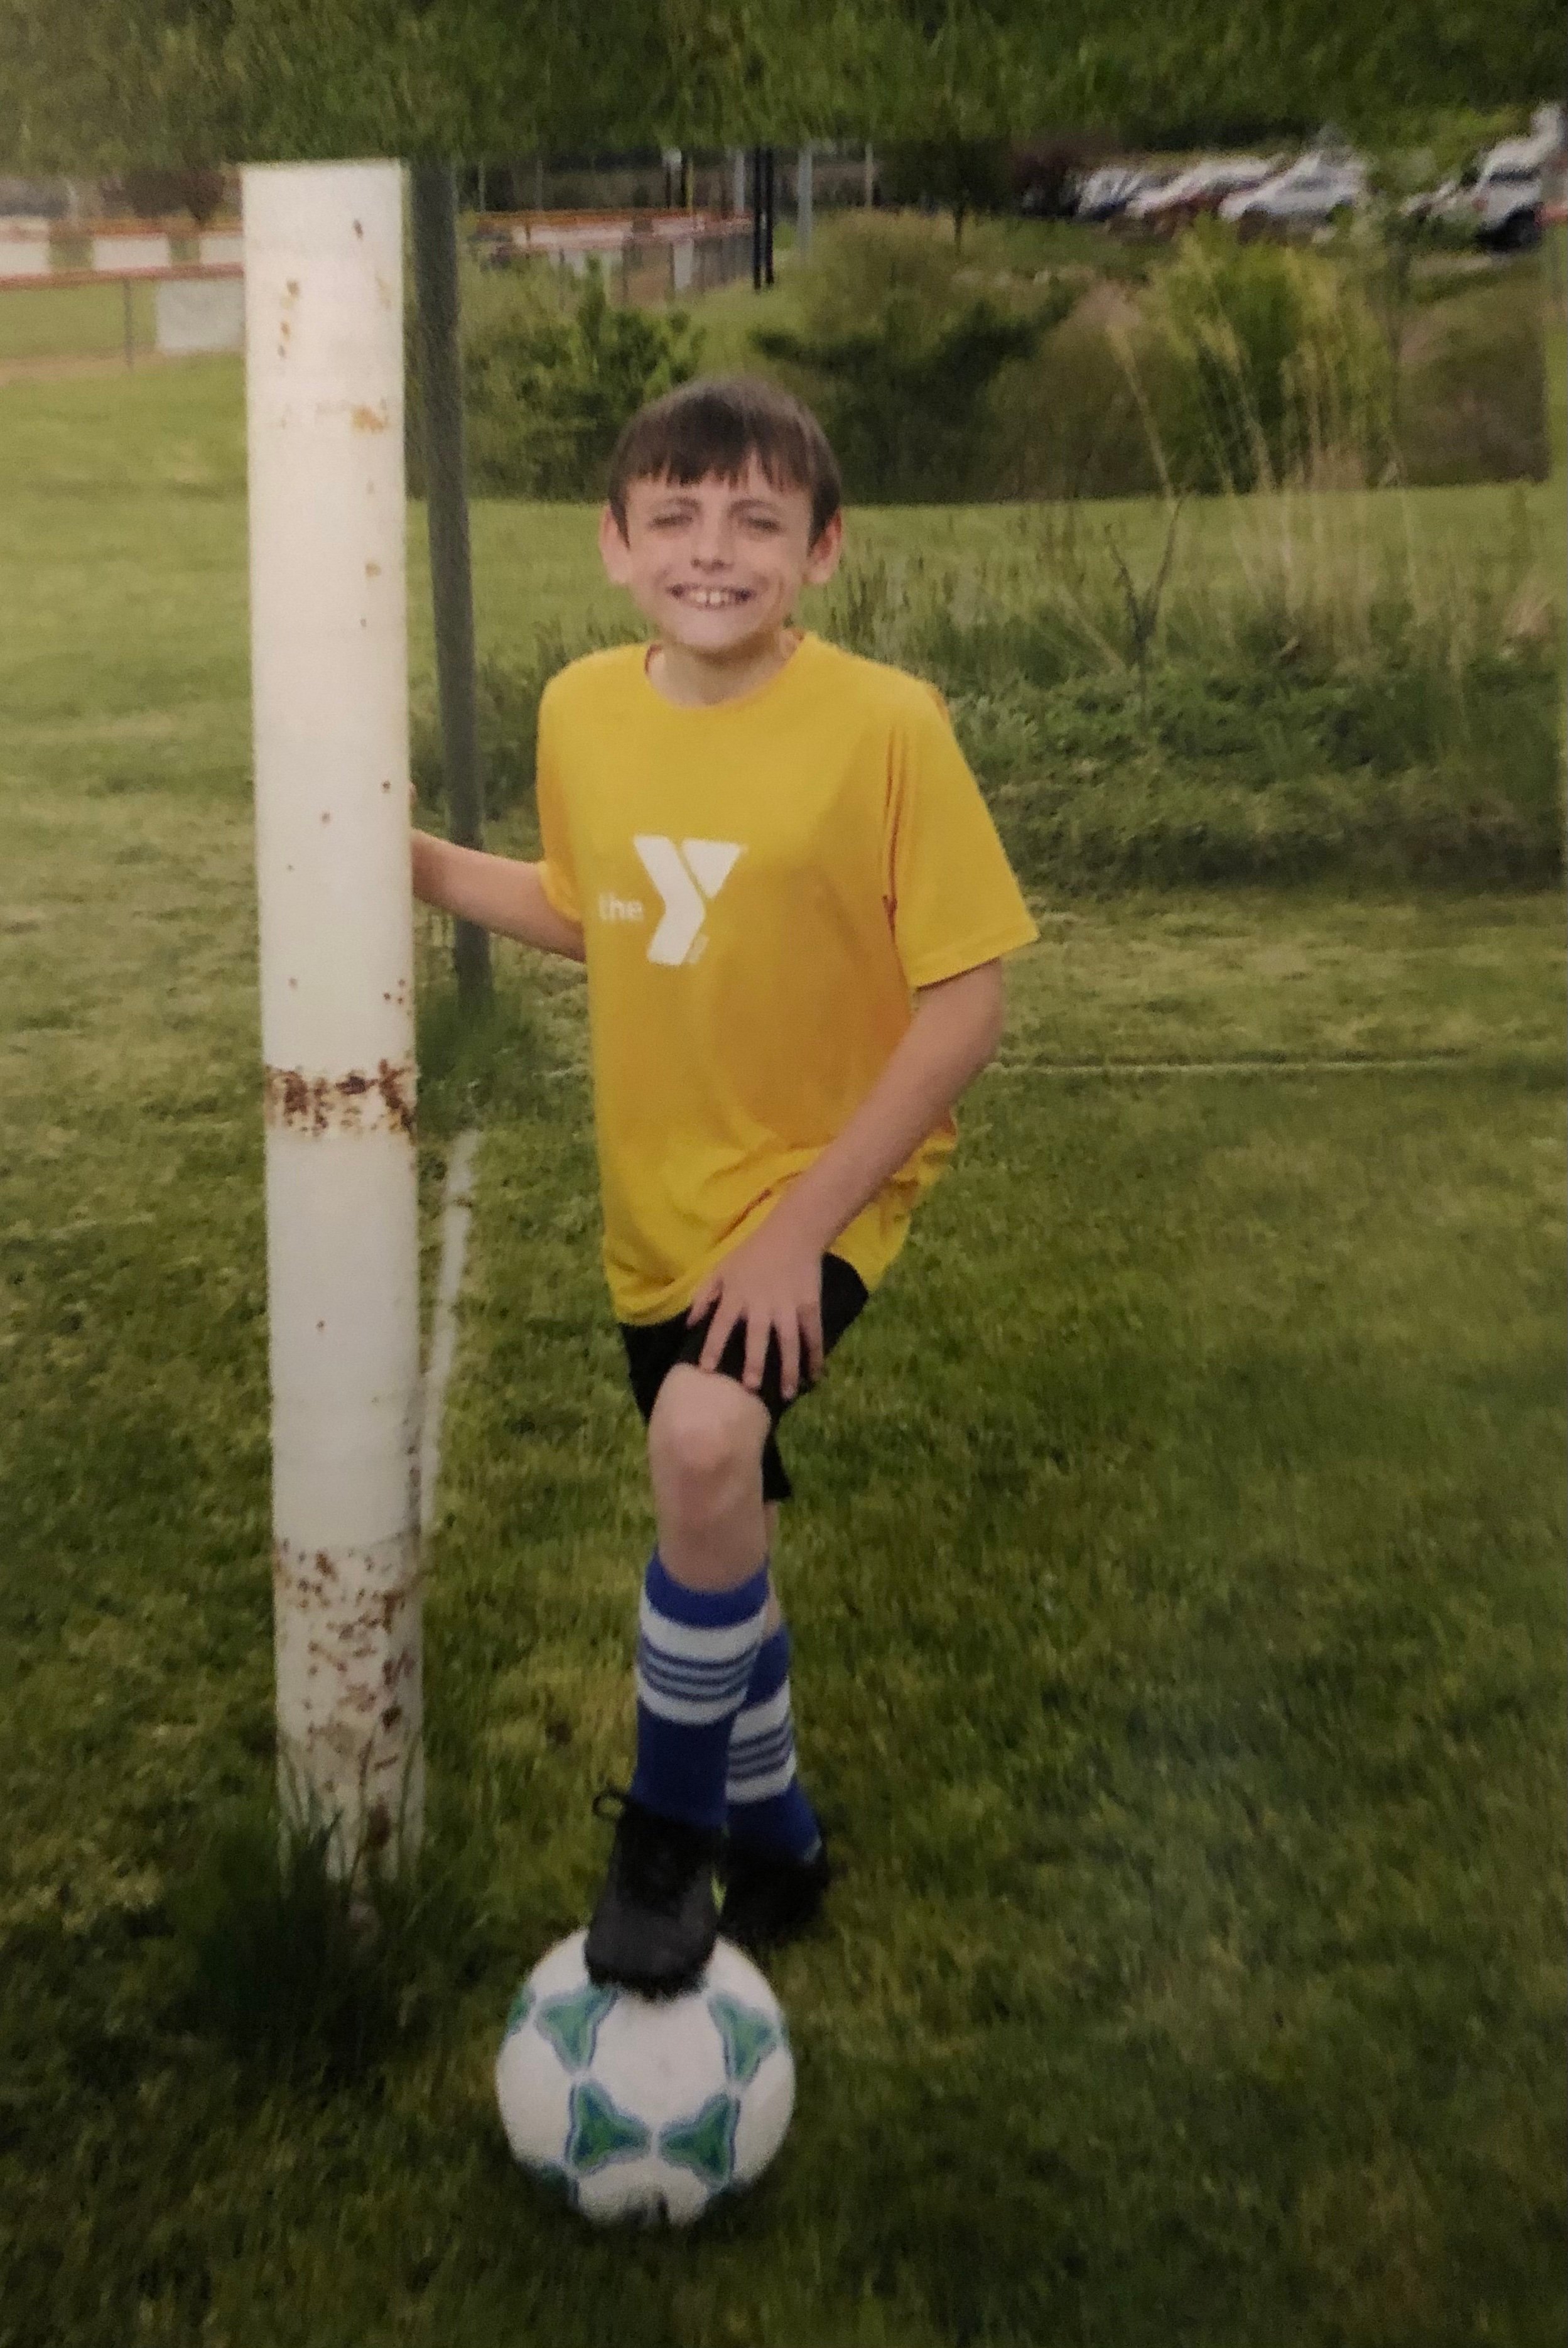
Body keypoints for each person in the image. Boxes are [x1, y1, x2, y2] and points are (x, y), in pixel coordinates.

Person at [411, 375, 1038, 1997]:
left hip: (823, 1183)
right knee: (718, 1514)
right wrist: (407, 863)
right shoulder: (579, 709)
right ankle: (782, 1840)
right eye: (675, 516)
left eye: (758, 519)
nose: (713, 549)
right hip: (659, 1196)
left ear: (823, 550)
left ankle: (666, 1834)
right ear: (614, 545)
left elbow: (964, 1003)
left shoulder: (886, 725)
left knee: (700, 1440)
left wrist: (796, 1231)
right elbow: (598, 907)